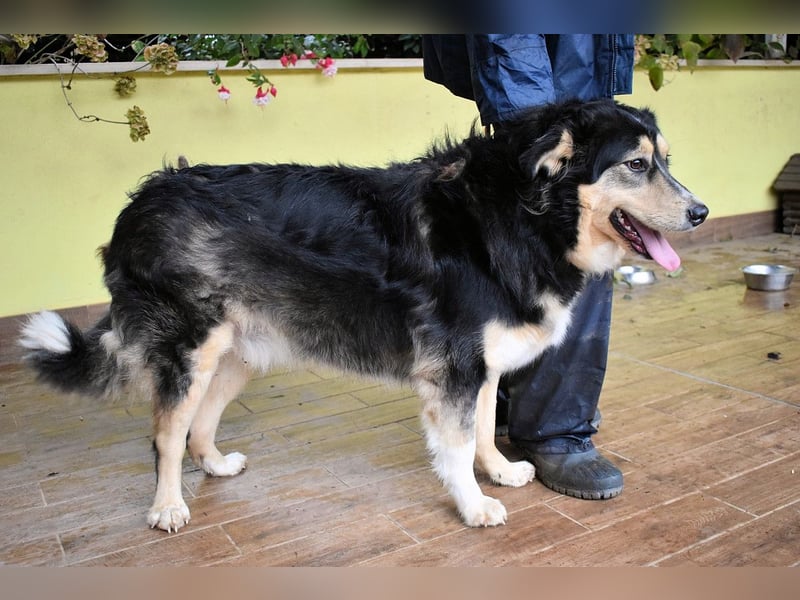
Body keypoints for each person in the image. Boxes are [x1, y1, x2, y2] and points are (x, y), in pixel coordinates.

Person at [422, 34, 635, 500]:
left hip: (570, 75)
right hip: (540, 82)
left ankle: (491, 406)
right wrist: (542, 124)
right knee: (572, 239)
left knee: (530, 257)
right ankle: (553, 427)